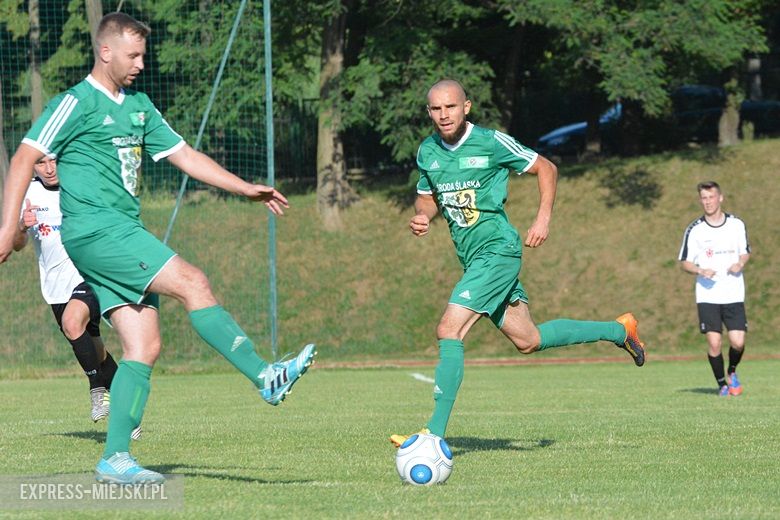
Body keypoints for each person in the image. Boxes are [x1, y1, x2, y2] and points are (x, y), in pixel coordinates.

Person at [0, 13, 316, 485]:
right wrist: (7, 231)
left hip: (119, 229)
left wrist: (243, 188)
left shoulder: (141, 106)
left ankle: (115, 459)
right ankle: (264, 377)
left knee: (143, 345)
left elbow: (185, 156)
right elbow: (25, 157)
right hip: (96, 231)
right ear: (105, 52)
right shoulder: (75, 103)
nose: (141, 64)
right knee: (193, 281)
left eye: (144, 55)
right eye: (133, 55)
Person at [390, 79, 646, 447]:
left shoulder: (491, 142)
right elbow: (427, 197)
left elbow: (547, 168)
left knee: (449, 329)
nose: (443, 114)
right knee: (529, 339)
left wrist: (542, 218)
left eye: (451, 106)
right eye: (436, 109)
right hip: (473, 259)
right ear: (428, 112)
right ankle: (620, 330)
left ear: (467, 107)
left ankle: (433, 434)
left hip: (498, 252)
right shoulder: (427, 150)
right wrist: (422, 217)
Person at [12, 155, 123, 426]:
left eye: (53, 161)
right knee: (96, 350)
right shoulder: (28, 193)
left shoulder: (80, 186)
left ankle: (97, 391)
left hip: (89, 275)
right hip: (55, 287)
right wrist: (21, 227)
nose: (49, 169)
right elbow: (17, 244)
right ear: (33, 167)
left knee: (72, 323)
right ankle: (129, 411)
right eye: (40, 163)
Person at [678, 181, 749, 397]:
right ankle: (722, 385)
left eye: (711, 197)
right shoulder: (695, 229)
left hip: (733, 292)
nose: (708, 202)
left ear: (720, 198)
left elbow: (745, 251)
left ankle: (732, 371)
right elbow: (685, 262)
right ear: (701, 200)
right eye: (704, 198)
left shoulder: (736, 224)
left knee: (737, 342)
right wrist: (700, 270)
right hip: (708, 295)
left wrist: (740, 264)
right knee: (715, 342)